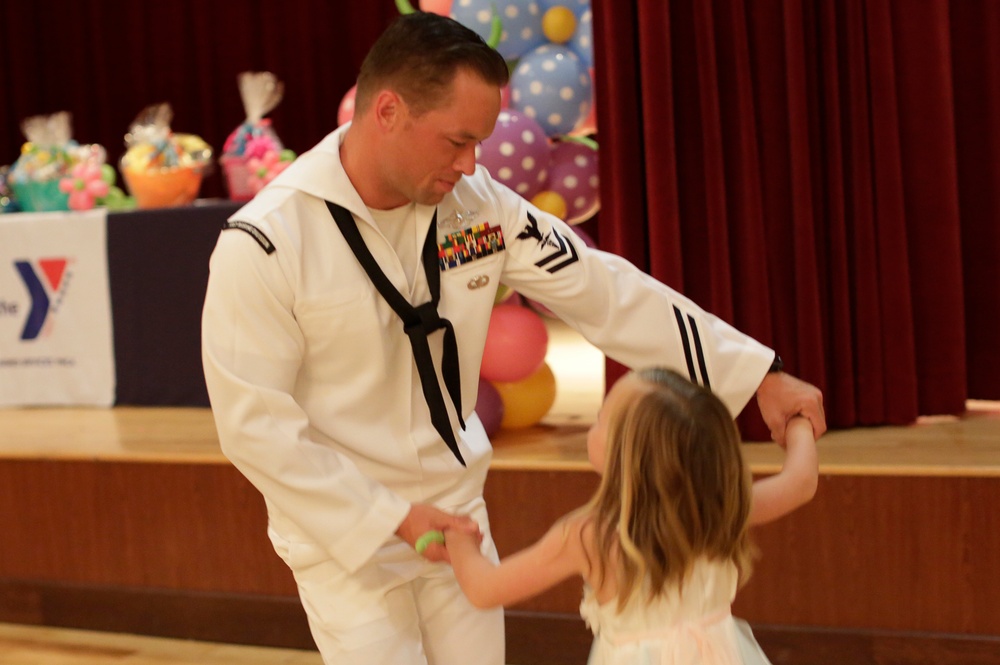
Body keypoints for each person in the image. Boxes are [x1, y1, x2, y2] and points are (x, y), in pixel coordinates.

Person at [200, 11, 825, 665]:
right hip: (346, 535)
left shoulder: (480, 206)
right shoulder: (266, 243)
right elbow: (255, 425)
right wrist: (389, 516)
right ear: (387, 111)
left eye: (481, 142)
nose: (472, 163)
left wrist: (758, 374)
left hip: (458, 512)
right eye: (457, 140)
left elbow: (604, 289)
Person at [445, 367, 819, 664]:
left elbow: (485, 588)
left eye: (601, 419)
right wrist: (799, 422)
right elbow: (800, 482)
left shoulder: (590, 536)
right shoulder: (721, 508)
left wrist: (455, 533)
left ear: (625, 454)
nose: (593, 425)